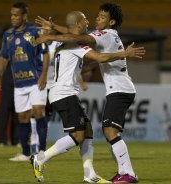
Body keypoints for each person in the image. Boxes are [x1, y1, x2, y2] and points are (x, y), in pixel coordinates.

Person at [35, 3, 144, 183]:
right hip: (113, 89)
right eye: (97, 16)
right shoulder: (102, 36)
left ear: (112, 22)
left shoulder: (106, 34)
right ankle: (95, 173)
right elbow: (81, 39)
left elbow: (82, 40)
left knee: (109, 131)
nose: (96, 19)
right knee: (94, 131)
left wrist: (50, 34)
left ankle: (127, 173)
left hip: (120, 89)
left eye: (102, 17)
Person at [0, 2, 49, 162]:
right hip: (19, 83)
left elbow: (45, 53)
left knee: (38, 112)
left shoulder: (35, 32)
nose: (13, 18)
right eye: (11, 15)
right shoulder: (8, 35)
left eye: (16, 15)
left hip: (35, 80)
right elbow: (4, 57)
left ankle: (43, 152)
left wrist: (44, 75)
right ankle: (25, 153)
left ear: (24, 16)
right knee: (23, 118)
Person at [0, 58, 20, 147]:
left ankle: (17, 140)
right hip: (8, 81)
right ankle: (2, 140)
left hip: (20, 80)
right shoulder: (8, 44)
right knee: (4, 112)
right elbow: (3, 58)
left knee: (18, 112)